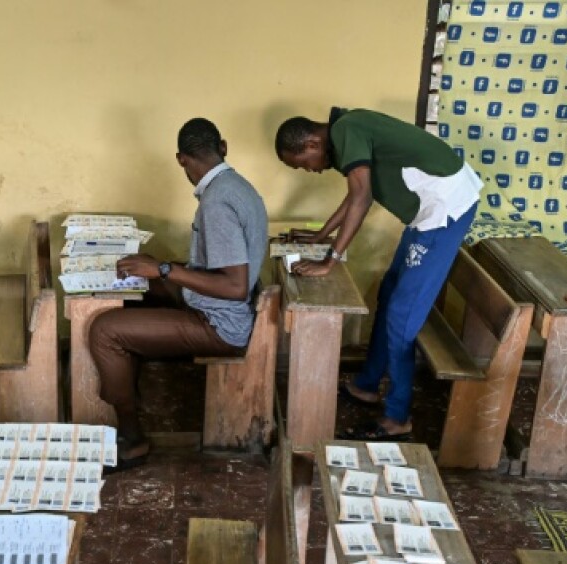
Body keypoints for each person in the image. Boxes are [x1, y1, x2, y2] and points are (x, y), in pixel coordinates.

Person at [274, 107, 483, 441]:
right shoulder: (349, 129)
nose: (310, 171)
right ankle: (367, 385)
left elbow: (361, 197)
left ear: (312, 143)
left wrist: (331, 259)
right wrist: (319, 237)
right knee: (389, 292)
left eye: (303, 164)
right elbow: (355, 196)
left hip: (445, 212)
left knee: (402, 316)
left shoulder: (345, 131)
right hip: (428, 215)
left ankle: (398, 416)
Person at [89, 117, 268, 469]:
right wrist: (160, 271)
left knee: (104, 330)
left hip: (221, 324)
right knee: (133, 287)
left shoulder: (217, 203)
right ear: (224, 148)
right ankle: (128, 378)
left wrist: (165, 270)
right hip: (216, 306)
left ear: (181, 160)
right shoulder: (236, 186)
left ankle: (131, 436)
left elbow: (235, 286)